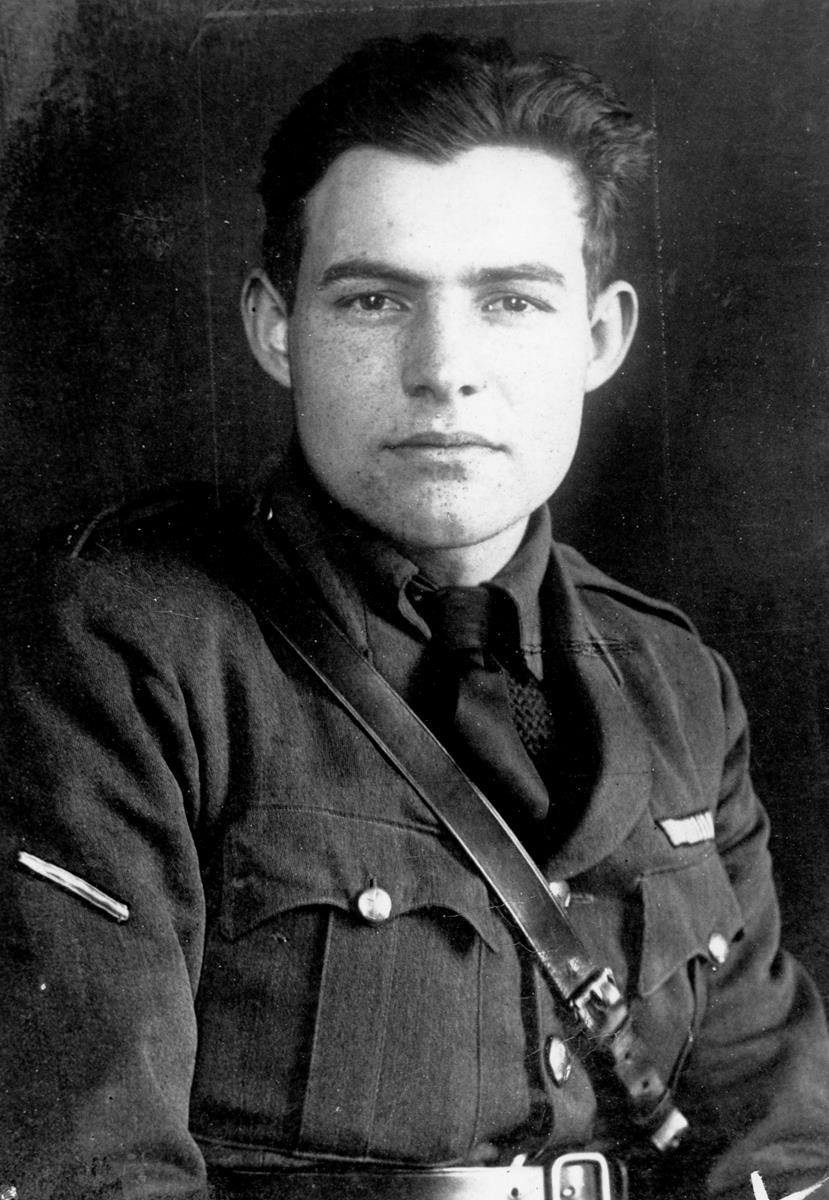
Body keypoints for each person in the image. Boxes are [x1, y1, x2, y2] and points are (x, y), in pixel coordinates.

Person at [1, 31, 828, 1200]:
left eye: (511, 302)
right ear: (275, 327)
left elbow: (782, 1141)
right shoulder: (126, 648)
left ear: (599, 340)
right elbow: (88, 1170)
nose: (446, 369)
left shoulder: (678, 685)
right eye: (376, 298)